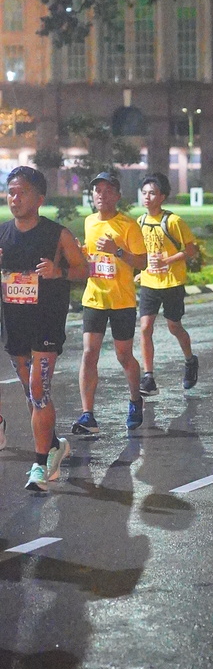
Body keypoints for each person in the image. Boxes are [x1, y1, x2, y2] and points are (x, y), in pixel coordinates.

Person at [0, 166, 88, 490]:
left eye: (22, 192)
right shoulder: (2, 234)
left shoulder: (57, 234)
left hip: (46, 323)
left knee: (38, 390)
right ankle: (54, 445)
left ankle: (40, 466)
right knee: (32, 393)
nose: (14, 198)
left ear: (39, 198)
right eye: (10, 192)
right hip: (14, 324)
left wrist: (58, 272)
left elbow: (83, 270)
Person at [72, 172, 148, 435]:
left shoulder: (128, 225)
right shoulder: (89, 221)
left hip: (121, 300)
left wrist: (117, 250)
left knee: (123, 355)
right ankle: (88, 415)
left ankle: (135, 400)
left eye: (107, 191)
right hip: (94, 296)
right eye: (97, 190)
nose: (101, 195)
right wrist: (82, 253)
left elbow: (143, 262)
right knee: (89, 353)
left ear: (117, 195)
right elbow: (93, 257)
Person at [137, 173, 199, 396]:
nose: (147, 197)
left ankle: (190, 360)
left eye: (152, 193)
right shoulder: (140, 222)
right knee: (145, 327)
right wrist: (139, 271)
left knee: (174, 326)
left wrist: (168, 260)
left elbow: (191, 250)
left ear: (162, 197)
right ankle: (148, 377)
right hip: (149, 282)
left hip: (172, 282)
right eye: (144, 193)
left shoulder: (173, 221)